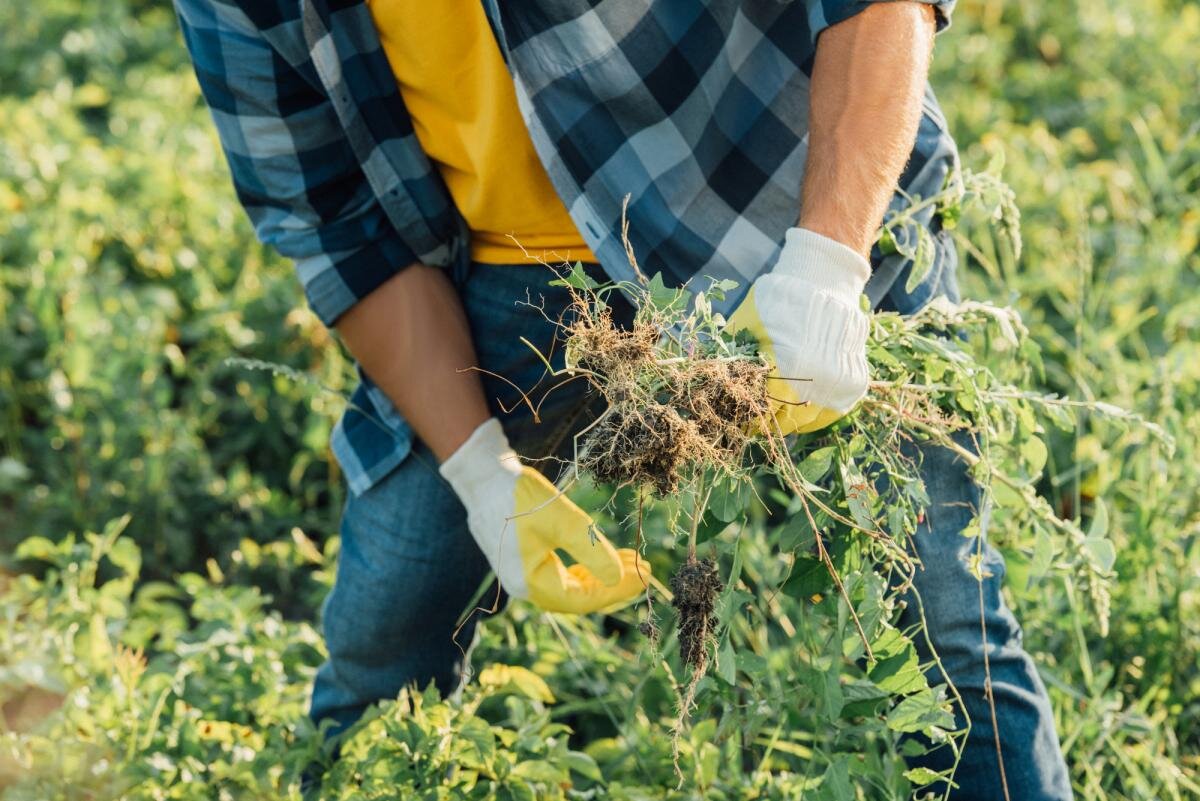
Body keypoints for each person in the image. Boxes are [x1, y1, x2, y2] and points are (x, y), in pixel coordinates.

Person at [174, 1, 1073, 797]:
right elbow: (338, 228)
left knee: (947, 619)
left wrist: (830, 265)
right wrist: (482, 475)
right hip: (502, 273)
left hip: (787, 185)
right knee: (387, 632)